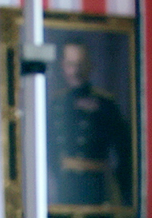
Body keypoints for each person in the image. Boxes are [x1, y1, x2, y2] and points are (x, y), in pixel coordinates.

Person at [46, 41, 133, 206]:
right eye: (71, 64)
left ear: (90, 66)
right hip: (65, 187)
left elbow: (124, 152)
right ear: (63, 66)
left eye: (81, 65)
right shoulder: (55, 104)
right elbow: (48, 150)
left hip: (97, 187)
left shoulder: (107, 104)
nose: (76, 71)